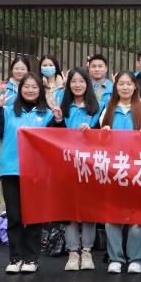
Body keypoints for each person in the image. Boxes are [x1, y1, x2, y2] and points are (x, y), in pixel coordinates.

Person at [0, 73, 56, 274]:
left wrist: (58, 120)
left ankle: (31, 258)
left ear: (40, 90)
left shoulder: (47, 114)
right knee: (14, 216)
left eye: (34, 87)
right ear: (20, 89)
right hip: (11, 170)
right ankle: (15, 258)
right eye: (26, 86)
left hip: (36, 172)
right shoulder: (8, 111)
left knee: (33, 216)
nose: (30, 90)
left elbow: (56, 140)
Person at [100, 71, 141, 274]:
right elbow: (98, 140)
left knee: (137, 216)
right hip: (114, 170)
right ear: (115, 87)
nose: (124, 87)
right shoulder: (108, 109)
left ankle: (136, 259)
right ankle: (115, 258)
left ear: (135, 86)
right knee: (112, 216)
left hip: (137, 170)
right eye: (121, 84)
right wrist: (102, 133)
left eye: (128, 84)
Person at [50, 67, 105, 271]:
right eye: (73, 81)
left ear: (87, 84)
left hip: (89, 167)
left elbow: (104, 137)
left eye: (81, 81)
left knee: (88, 211)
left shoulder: (98, 107)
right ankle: (73, 253)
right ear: (68, 85)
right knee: (70, 211)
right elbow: (52, 137)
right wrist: (58, 120)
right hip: (66, 167)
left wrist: (91, 131)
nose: (77, 85)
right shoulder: (62, 107)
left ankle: (87, 251)